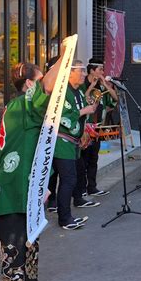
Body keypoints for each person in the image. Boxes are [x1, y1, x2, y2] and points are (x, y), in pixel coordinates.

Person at [0, 56, 66, 281]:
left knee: (29, 242)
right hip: (12, 188)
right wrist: (65, 55)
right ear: (27, 85)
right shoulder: (21, 106)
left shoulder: (25, 108)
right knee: (13, 244)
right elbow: (48, 85)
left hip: (26, 185)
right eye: (37, 80)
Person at [48, 59, 98, 228]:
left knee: (73, 177)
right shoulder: (62, 92)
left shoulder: (77, 91)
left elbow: (80, 114)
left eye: (84, 70)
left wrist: (84, 131)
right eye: (81, 70)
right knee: (68, 180)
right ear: (69, 73)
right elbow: (63, 117)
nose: (84, 73)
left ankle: (70, 209)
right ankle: (65, 218)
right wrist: (85, 110)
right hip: (62, 142)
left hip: (73, 142)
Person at [78, 58, 118, 197]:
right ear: (92, 70)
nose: (102, 72)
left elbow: (115, 98)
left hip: (98, 126)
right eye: (100, 69)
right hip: (84, 127)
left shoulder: (101, 85)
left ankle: (92, 187)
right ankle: (81, 188)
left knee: (94, 158)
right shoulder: (81, 84)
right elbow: (83, 99)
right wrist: (91, 86)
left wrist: (105, 85)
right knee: (82, 160)